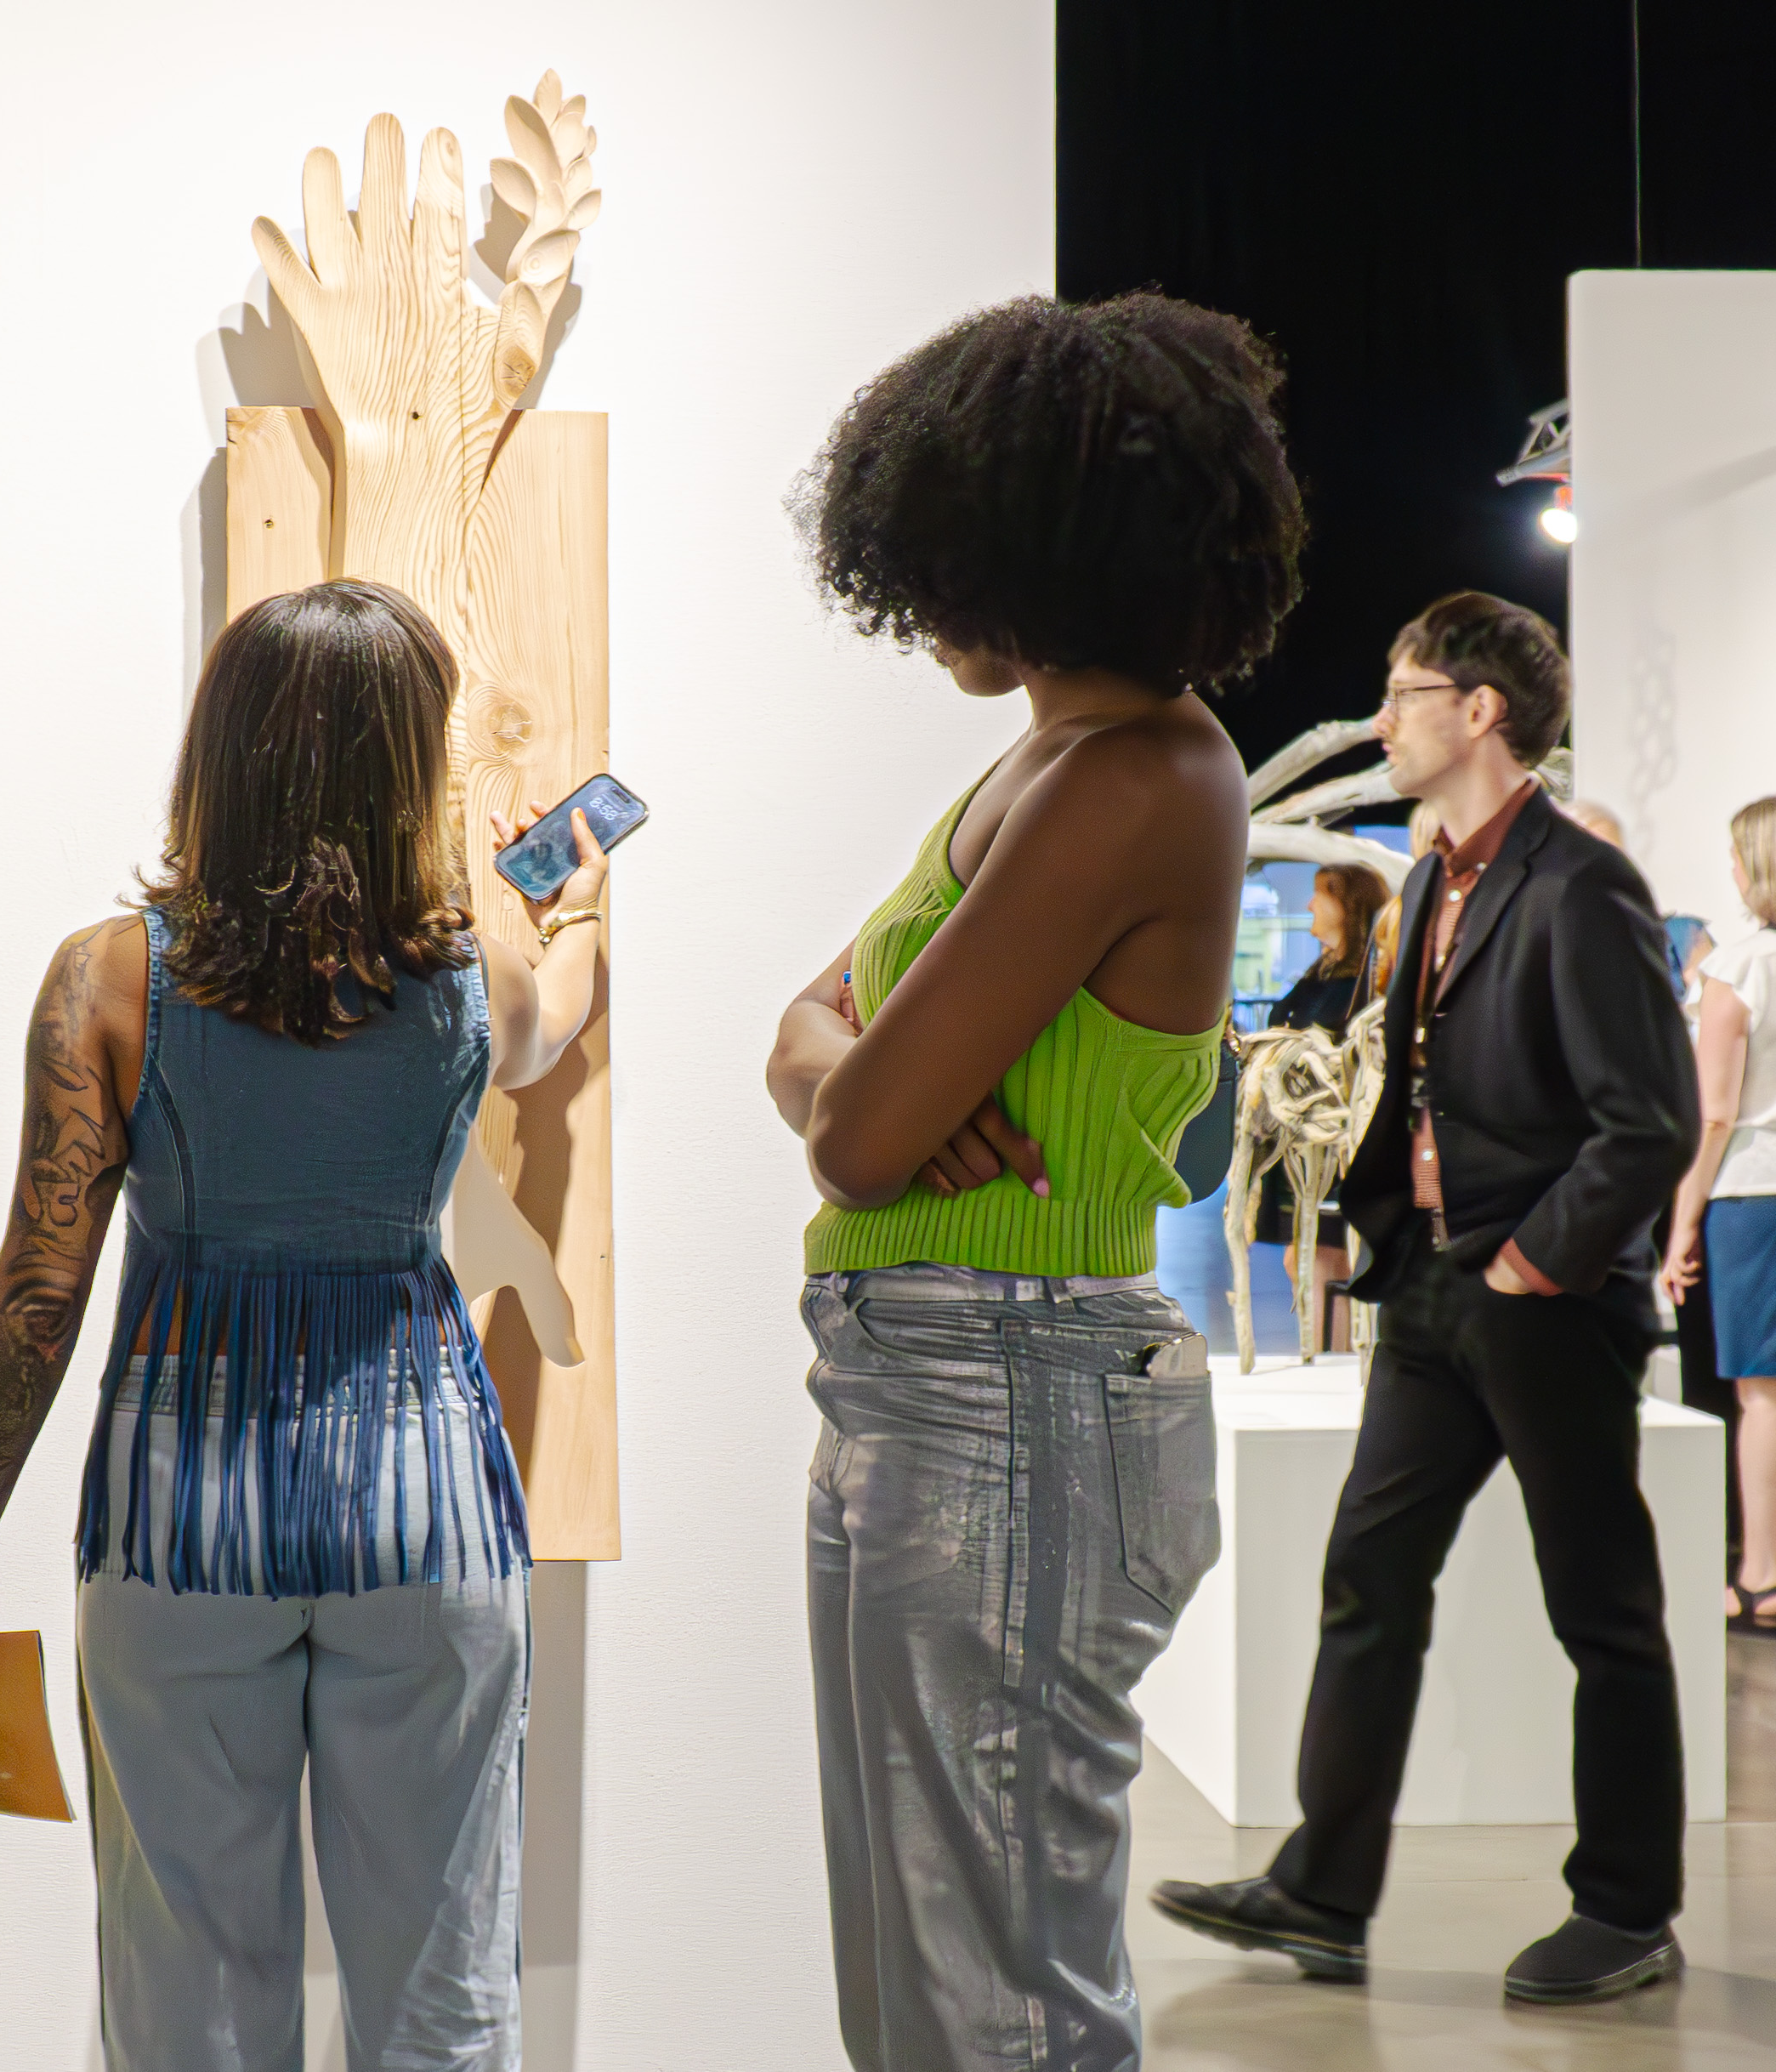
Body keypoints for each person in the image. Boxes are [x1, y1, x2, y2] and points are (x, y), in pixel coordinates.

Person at [0, 579, 607, 2072]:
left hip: (181, 1521)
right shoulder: (473, 969)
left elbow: (40, 1287)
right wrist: (577, 910)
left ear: (218, 748)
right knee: (440, 1986)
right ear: (413, 759)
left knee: (191, 2000)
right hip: (424, 1512)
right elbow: (548, 1026)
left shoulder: (109, 978)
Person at [768, 292, 1291, 2071]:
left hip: (1015, 1390)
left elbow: (852, 1130)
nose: (922, 598)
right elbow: (805, 1037)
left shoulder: (1134, 776)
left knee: (994, 1997)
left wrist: (853, 1083)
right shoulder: (1048, 764)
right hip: (935, 1381)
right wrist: (846, 1070)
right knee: (931, 1976)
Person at [1152, 593, 1700, 2005]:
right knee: (1369, 1575)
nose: (1381, 719)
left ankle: (1627, 1909)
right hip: (1432, 1296)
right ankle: (1322, 1893)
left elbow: (1646, 1120)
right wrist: (1389, 1236)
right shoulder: (1433, 878)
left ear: (1478, 710)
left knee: (1601, 1609)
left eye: (1401, 695)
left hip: (1543, 1301)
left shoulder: (1581, 885)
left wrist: (1530, 1262)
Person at [1660, 799, 1776, 1632]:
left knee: (1759, 1393)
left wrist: (1679, 1224)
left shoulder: (1736, 971)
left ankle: (1760, 1577)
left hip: (1752, 1194)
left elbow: (1713, 1114)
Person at [1257, 863, 1391, 1341]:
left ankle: (1334, 1358)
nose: (1310, 905)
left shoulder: (1368, 984)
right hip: (1300, 1140)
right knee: (1305, 1257)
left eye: (1321, 895)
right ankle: (1324, 1354)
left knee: (1325, 1259)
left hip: (1338, 1143)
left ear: (1348, 905)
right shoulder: (1322, 974)